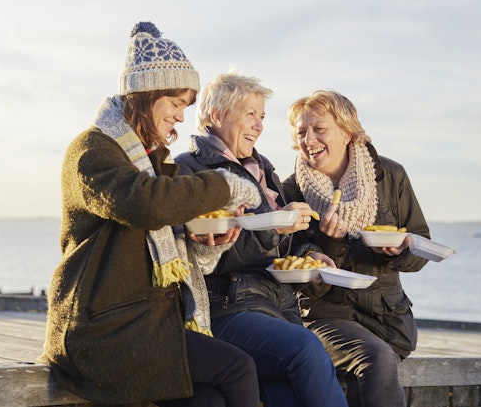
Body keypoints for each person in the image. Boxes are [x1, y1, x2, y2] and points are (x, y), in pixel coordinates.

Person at [40, 22, 262, 407]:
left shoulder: (149, 161)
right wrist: (224, 184)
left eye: (185, 106)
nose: (180, 116)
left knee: (208, 400)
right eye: (175, 103)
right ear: (146, 95)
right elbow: (146, 204)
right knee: (238, 368)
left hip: (146, 325)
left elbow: (174, 246)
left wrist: (208, 246)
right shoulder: (92, 151)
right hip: (100, 330)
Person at [175, 72, 348, 407]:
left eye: (262, 117)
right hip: (226, 308)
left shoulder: (263, 171)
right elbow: (204, 255)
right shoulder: (190, 172)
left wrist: (311, 255)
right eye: (250, 115)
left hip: (275, 308)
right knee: (307, 349)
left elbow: (286, 242)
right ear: (217, 116)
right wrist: (273, 230)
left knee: (285, 396)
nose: (259, 126)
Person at [282, 90, 430, 407]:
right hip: (324, 318)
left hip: (388, 320)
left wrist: (401, 250)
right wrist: (329, 246)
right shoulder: (291, 189)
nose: (308, 140)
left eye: (319, 129)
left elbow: (421, 248)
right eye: (301, 132)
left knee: (380, 355)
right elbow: (294, 275)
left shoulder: (390, 177)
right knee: (376, 358)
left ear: (348, 131)